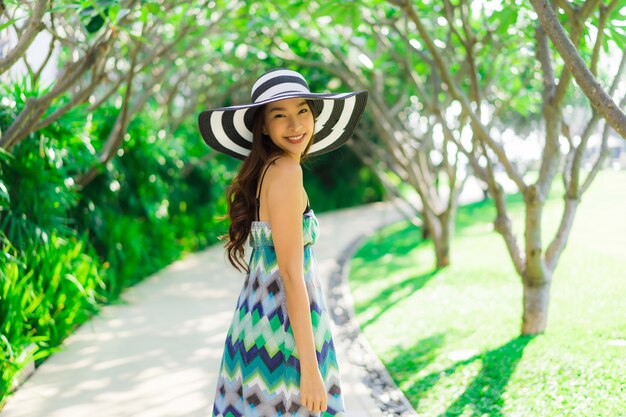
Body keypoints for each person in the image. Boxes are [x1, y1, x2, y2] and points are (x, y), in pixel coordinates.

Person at [197, 68, 368, 417]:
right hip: (283, 334)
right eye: (280, 115)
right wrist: (311, 369)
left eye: (302, 111)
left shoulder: (268, 170)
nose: (295, 125)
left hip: (255, 324)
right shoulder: (287, 173)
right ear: (262, 126)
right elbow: (291, 274)